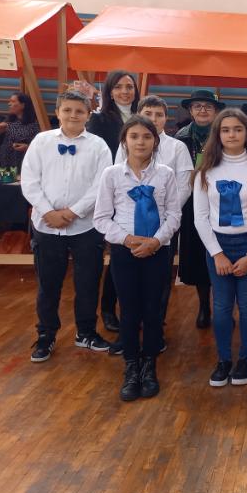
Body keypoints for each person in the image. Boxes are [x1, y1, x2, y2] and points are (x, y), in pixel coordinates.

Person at [21, 91, 113, 362]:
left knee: (88, 282)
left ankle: (86, 331)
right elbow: (29, 180)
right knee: (48, 284)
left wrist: (73, 212)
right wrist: (48, 211)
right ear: (58, 112)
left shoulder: (98, 146)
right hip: (47, 225)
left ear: (88, 115)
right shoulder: (41, 141)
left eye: (79, 111)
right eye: (68, 110)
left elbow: (101, 184)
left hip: (85, 225)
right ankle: (46, 334)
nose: (73, 115)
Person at [94, 116, 181, 400]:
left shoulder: (166, 174)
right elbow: (101, 218)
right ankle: (131, 365)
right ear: (124, 140)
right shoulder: (112, 175)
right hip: (125, 251)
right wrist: (128, 239)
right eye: (134, 136)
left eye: (146, 136)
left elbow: (174, 214)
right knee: (129, 309)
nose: (140, 142)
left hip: (157, 250)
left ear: (155, 141)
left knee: (153, 309)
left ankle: (149, 364)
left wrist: (156, 241)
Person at [193, 108, 247, 387]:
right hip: (218, 246)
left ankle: (245, 359)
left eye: (238, 129)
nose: (231, 135)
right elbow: (200, 217)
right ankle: (224, 359)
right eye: (225, 130)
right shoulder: (205, 171)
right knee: (222, 305)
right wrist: (217, 254)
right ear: (217, 134)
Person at [114, 96, 194, 353]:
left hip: (163, 225)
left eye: (159, 114)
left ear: (165, 118)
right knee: (127, 286)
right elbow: (118, 183)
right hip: (129, 228)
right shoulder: (126, 145)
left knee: (158, 285)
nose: (154, 118)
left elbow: (184, 185)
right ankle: (127, 334)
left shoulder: (177, 147)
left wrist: (164, 218)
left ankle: (155, 331)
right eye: (149, 113)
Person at [86, 71, 141, 335]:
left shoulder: (142, 115)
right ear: (109, 91)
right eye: (118, 87)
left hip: (141, 192)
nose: (125, 92)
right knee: (117, 255)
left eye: (129, 87)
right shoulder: (99, 119)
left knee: (139, 256)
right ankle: (108, 309)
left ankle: (139, 310)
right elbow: (97, 159)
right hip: (113, 191)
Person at [176, 90, 225, 329]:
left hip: (223, 201)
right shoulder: (180, 138)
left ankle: (223, 306)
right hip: (191, 204)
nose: (203, 110)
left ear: (215, 111)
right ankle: (204, 306)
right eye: (197, 106)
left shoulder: (225, 134)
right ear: (190, 110)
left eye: (208, 106)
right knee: (197, 256)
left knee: (223, 253)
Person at [0, 92, 39, 171]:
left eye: (13, 101)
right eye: (9, 101)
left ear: (23, 105)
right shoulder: (8, 121)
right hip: (5, 161)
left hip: (23, 162)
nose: (9, 104)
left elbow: (37, 144)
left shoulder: (33, 123)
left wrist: (27, 147)